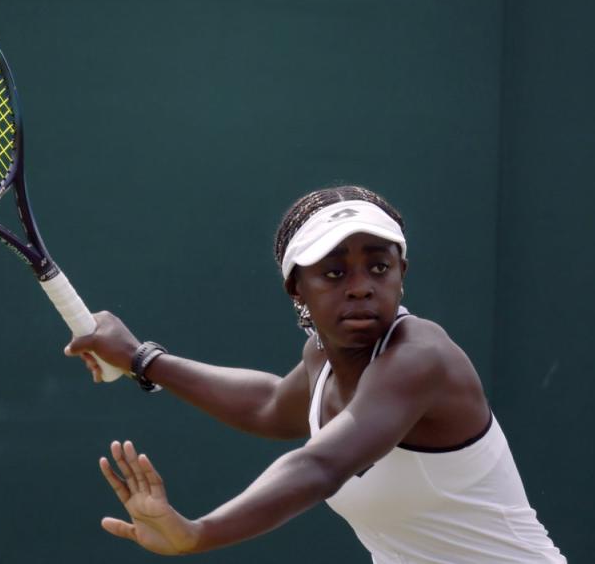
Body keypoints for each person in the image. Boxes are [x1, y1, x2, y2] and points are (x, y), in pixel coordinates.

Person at [64, 185, 566, 563]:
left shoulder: (420, 357)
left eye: (378, 268)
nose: (361, 287)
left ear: (401, 273)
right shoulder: (320, 360)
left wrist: (199, 533)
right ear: (296, 289)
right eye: (333, 273)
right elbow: (270, 406)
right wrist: (141, 358)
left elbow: (320, 466)